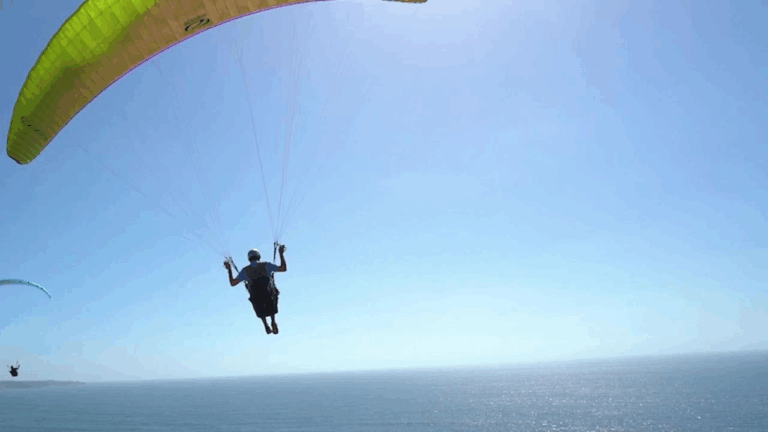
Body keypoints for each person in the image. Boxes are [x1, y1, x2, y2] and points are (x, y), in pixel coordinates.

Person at [224, 244, 286, 335]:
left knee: (255, 298)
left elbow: (233, 283)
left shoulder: (245, 271)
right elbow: (283, 268)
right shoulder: (266, 265)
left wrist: (229, 269)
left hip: (257, 299)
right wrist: (281, 254)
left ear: (249, 258)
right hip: (269, 296)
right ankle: (273, 320)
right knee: (272, 293)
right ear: (258, 256)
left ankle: (265, 324)